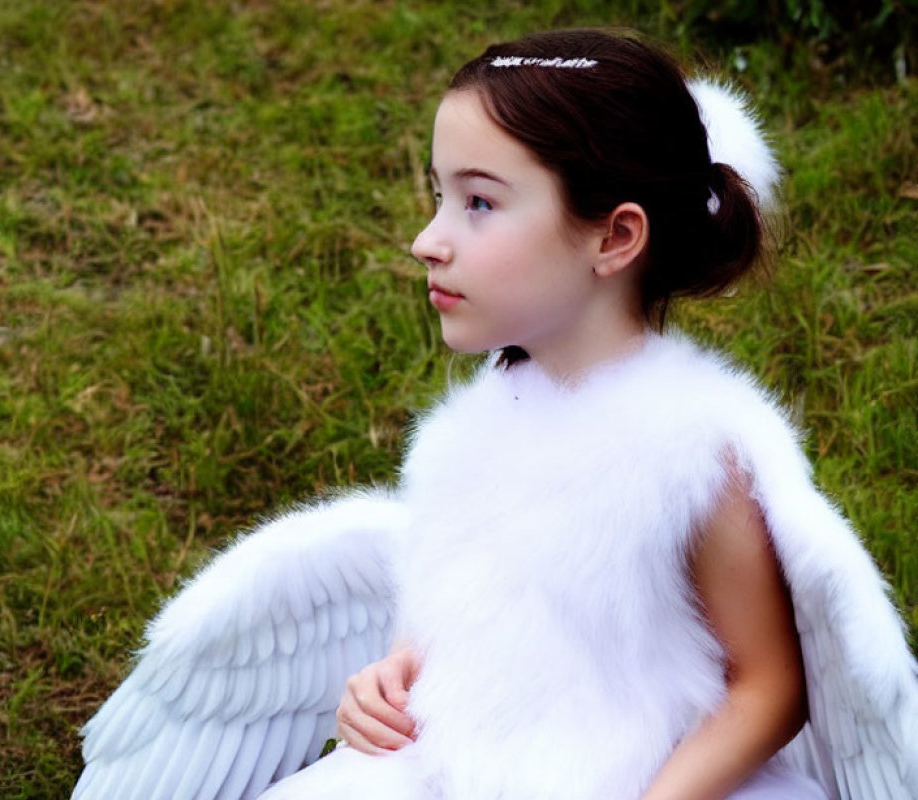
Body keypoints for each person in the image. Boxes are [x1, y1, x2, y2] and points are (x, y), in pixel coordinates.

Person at [73, 27, 916, 800]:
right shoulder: (464, 438)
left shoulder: (691, 449)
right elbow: (462, 621)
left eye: (478, 203)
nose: (428, 239)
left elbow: (770, 686)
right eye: (438, 196)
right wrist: (389, 679)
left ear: (614, 238)